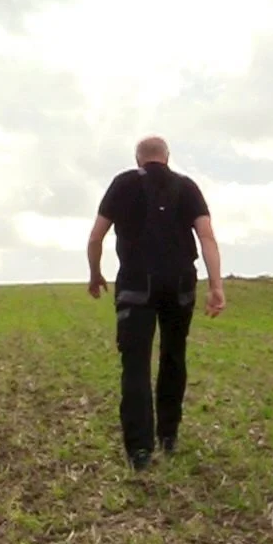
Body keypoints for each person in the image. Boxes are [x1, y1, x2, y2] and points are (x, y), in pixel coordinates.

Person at [86, 136, 226, 471]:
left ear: (138, 159)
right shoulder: (187, 186)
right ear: (167, 157)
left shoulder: (122, 184)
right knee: (173, 356)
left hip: (136, 286)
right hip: (180, 285)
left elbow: (96, 237)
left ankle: (140, 451)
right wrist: (216, 285)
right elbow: (206, 236)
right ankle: (169, 435)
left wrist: (95, 274)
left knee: (135, 364)